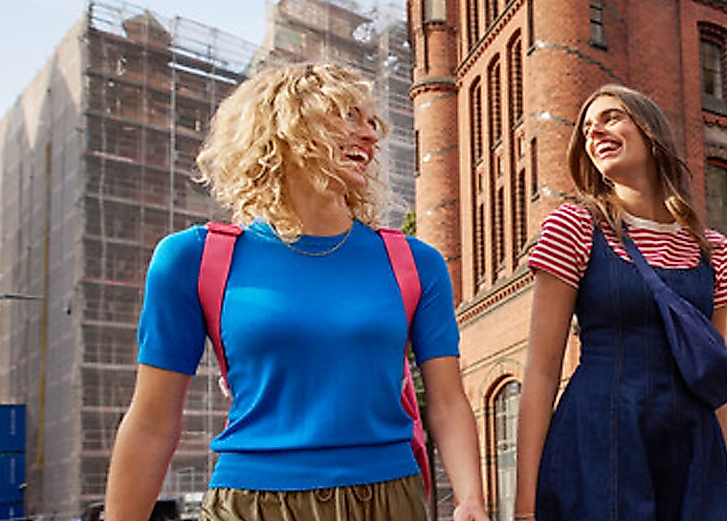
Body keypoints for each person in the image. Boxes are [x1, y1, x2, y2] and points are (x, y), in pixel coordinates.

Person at [106, 63, 488, 521]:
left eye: (371, 122)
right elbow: (151, 421)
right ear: (285, 129)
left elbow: (447, 400)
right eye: (347, 115)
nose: (370, 135)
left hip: (389, 502)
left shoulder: (415, 262)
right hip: (251, 504)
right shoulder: (193, 259)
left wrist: (471, 500)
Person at [514, 85, 727, 520]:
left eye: (611, 117)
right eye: (586, 129)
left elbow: (717, 381)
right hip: (600, 442)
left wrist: (717, 475)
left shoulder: (715, 250)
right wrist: (526, 506)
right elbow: (541, 372)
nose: (595, 130)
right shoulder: (574, 225)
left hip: (692, 451)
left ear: (650, 132)